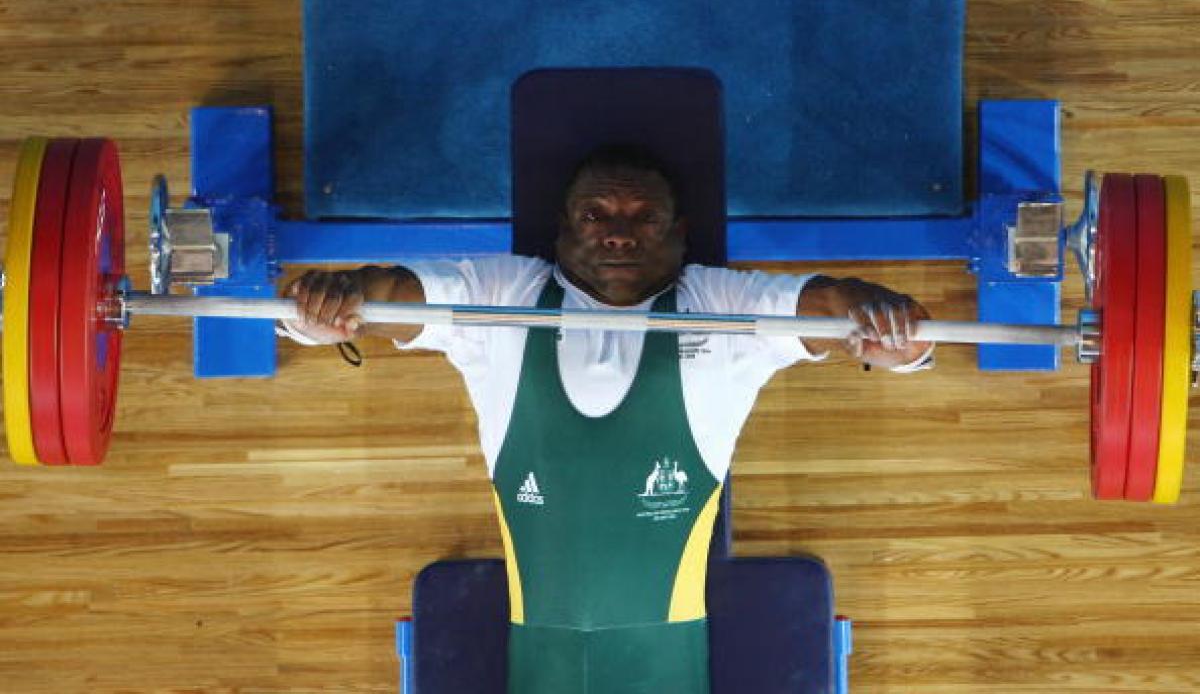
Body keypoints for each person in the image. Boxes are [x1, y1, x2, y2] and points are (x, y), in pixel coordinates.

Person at [282, 144, 933, 694]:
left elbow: (826, 304)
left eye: (643, 218)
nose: (619, 233)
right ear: (562, 231)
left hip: (668, 653)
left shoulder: (723, 304)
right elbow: (390, 292)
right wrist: (334, 302)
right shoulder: (500, 294)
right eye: (596, 215)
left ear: (678, 235)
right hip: (538, 648)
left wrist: (887, 325)